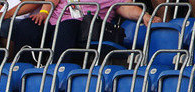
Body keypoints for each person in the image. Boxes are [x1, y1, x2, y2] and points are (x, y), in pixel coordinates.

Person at [11, 0, 159, 63]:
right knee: (27, 25)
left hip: (84, 25)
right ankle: (24, 69)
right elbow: (52, 1)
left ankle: (56, 71)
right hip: (55, 20)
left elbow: (126, 8)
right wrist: (43, 12)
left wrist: (145, 15)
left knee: (67, 27)